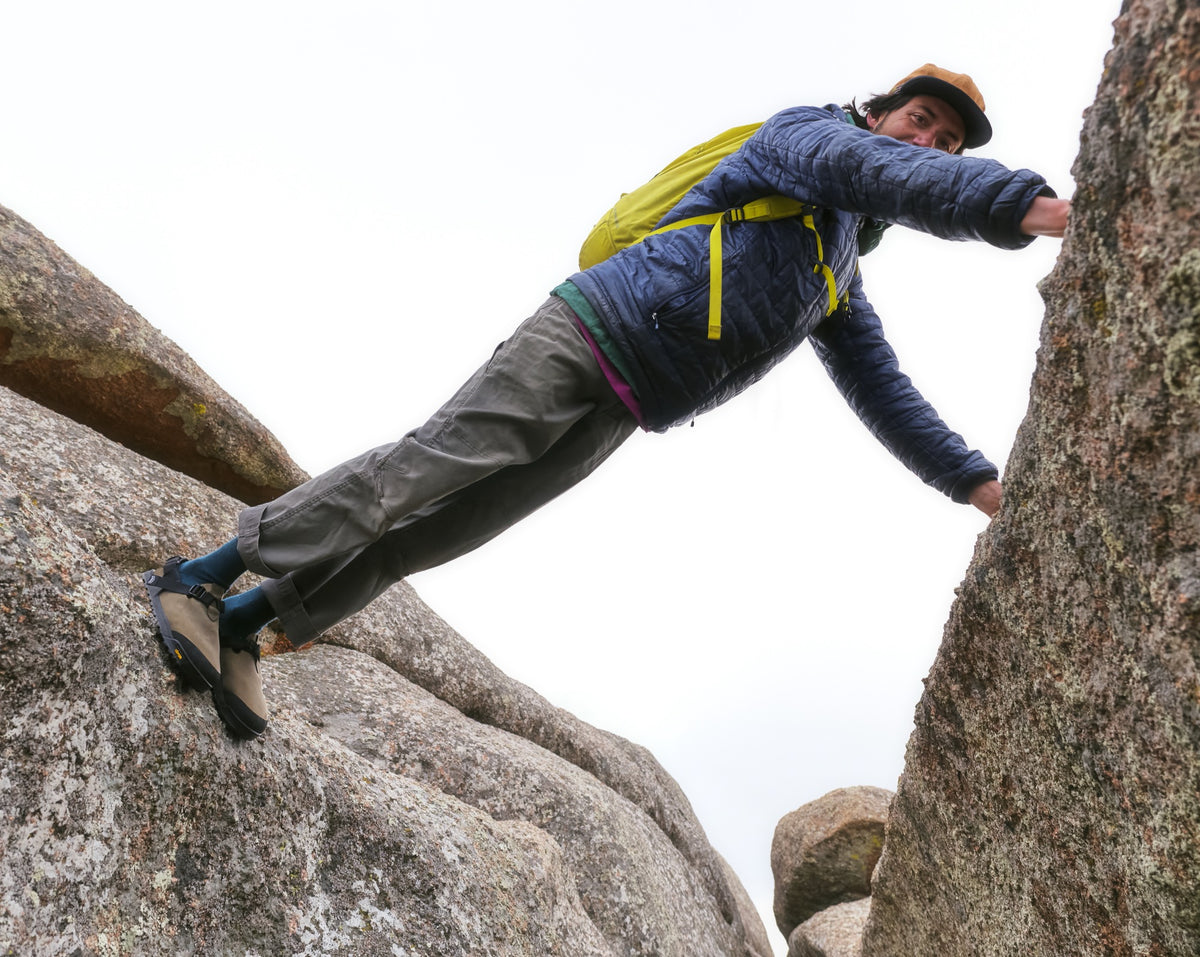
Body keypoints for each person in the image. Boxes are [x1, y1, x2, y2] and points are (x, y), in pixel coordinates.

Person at [144, 64, 1071, 739]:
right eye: (921, 120)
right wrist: (1027, 208)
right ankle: (201, 575)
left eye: (947, 143)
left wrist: (976, 484)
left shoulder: (836, 268)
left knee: (445, 528)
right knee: (425, 469)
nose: (929, 143)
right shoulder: (809, 138)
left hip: (628, 406)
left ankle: (241, 627)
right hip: (587, 331)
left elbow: (884, 387)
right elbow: (887, 177)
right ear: (878, 109)